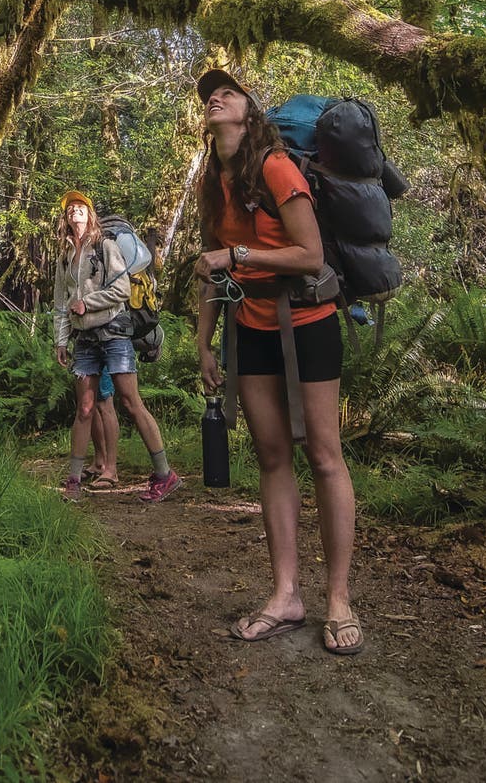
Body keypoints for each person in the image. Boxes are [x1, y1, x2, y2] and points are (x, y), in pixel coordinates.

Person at [192, 69, 363, 655]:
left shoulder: (276, 167)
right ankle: (286, 593)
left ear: (249, 110)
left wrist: (237, 252)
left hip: (308, 324)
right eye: (208, 94)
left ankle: (338, 598)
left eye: (228, 91)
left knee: (324, 454)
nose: (214, 96)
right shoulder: (213, 183)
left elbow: (310, 255)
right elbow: (215, 271)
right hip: (251, 329)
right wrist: (205, 339)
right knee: (271, 456)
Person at [53, 190, 182, 502]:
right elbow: (60, 303)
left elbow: (122, 289)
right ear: (65, 218)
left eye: (80, 207)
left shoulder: (105, 246)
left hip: (114, 334)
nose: (75, 212)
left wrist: (88, 303)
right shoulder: (65, 256)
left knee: (130, 401)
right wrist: (60, 340)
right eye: (70, 209)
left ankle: (165, 475)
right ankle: (73, 482)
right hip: (84, 340)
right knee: (84, 408)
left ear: (90, 213)